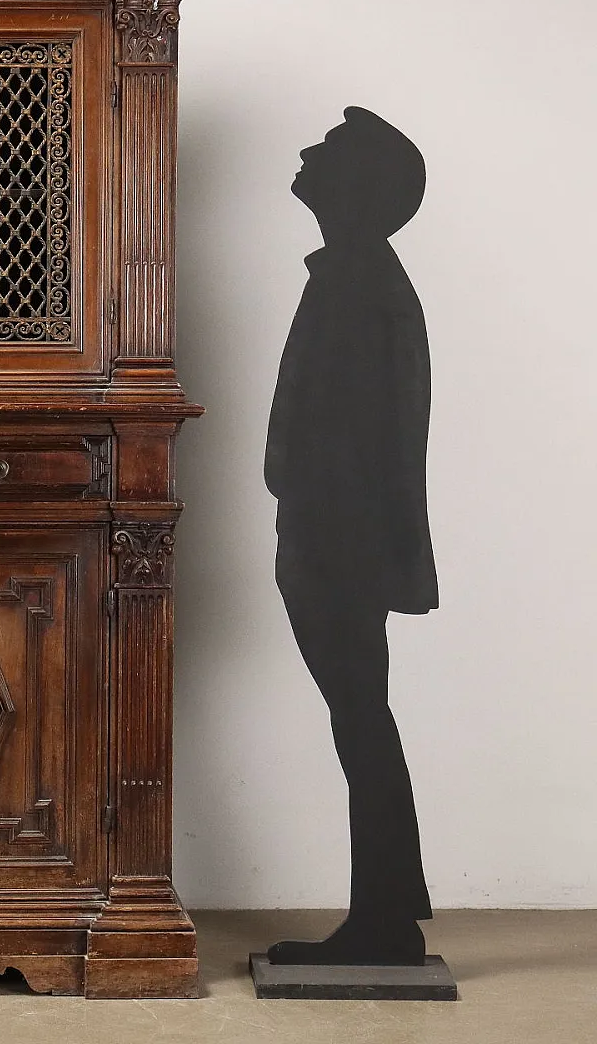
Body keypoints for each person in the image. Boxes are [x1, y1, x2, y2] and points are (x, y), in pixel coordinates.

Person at [264, 106, 438, 965]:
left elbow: (356, 439)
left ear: (358, 186)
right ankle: (386, 913)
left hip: (340, 543)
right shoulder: (356, 276)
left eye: (328, 150)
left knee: (360, 717)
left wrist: (317, 536)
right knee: (361, 716)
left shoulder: (357, 283)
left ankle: (385, 919)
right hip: (335, 538)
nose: (306, 151)